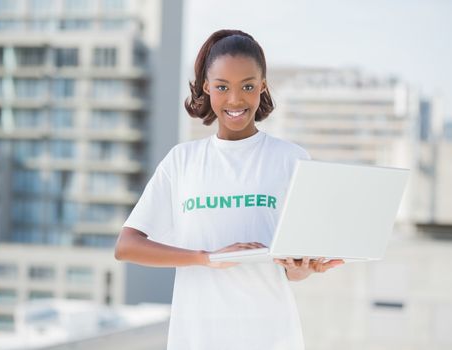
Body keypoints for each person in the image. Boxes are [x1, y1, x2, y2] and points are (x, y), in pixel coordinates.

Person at [114, 29, 344, 350]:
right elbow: (127, 246)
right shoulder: (182, 161)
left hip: (272, 336)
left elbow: (292, 269)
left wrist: (302, 269)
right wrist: (207, 258)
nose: (235, 100)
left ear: (262, 87)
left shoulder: (291, 159)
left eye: (247, 86)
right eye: (222, 87)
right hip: (195, 339)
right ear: (207, 87)